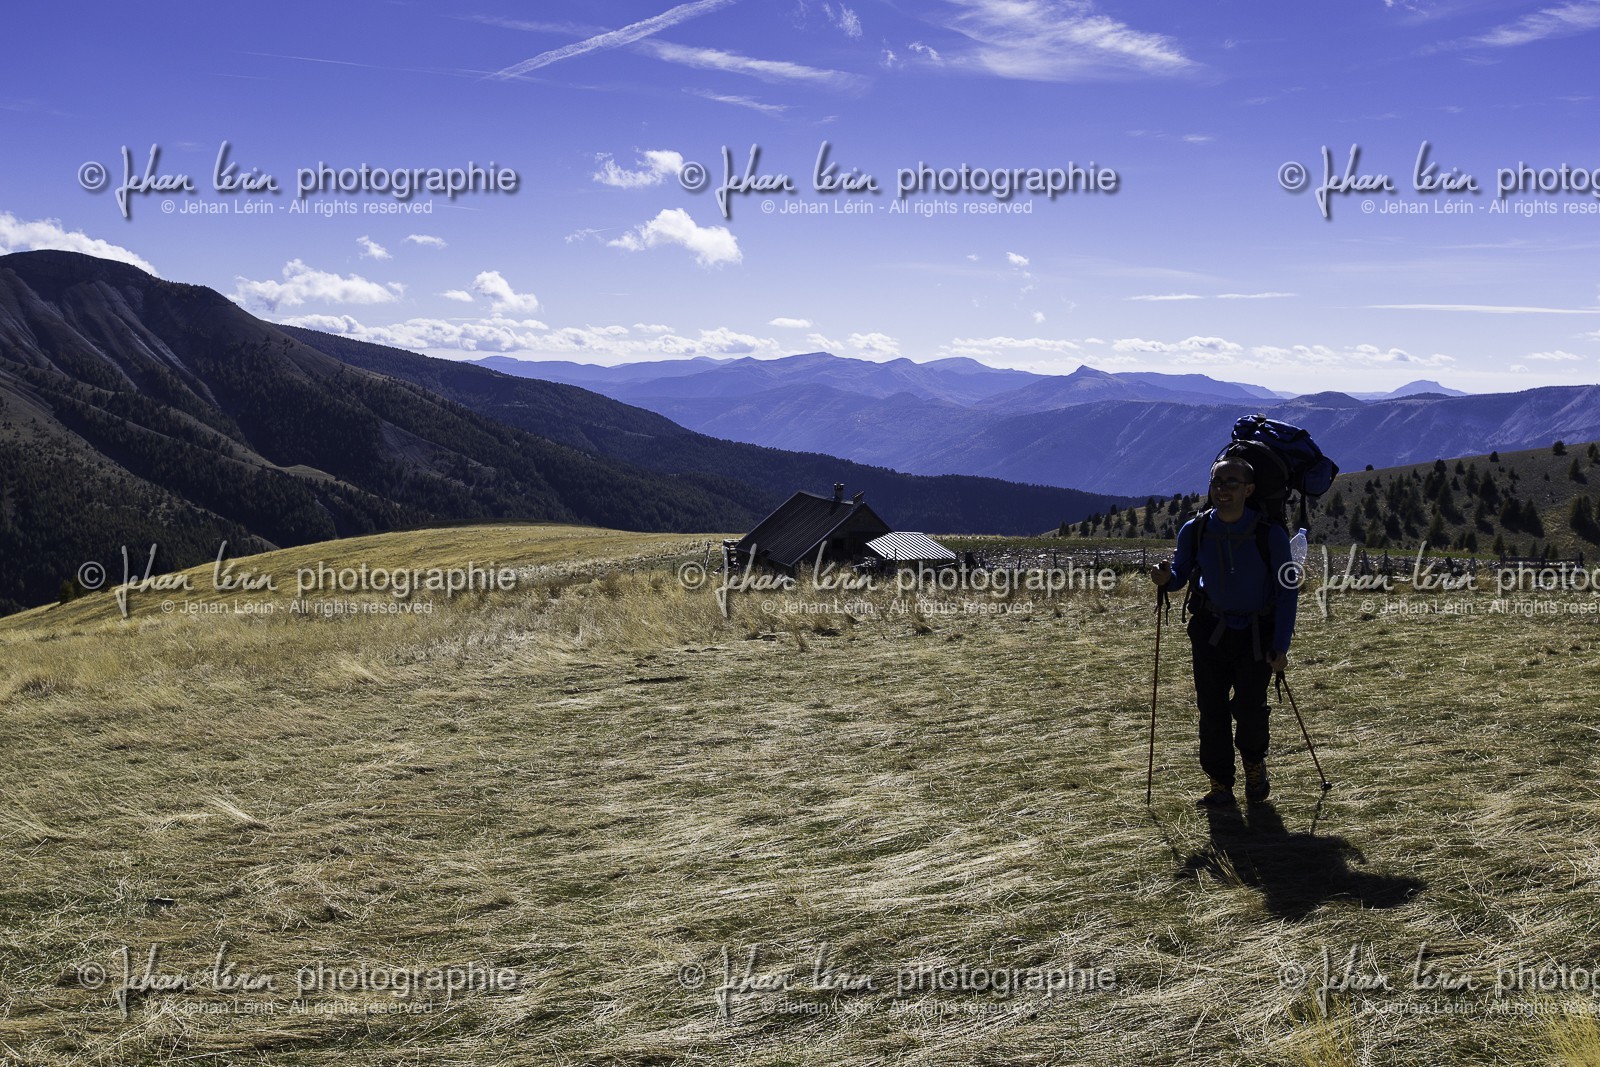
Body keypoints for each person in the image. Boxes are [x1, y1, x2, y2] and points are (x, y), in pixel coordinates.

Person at [1149, 457, 1299, 807]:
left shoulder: (1269, 534)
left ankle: (1253, 763)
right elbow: (1181, 575)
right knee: (1211, 709)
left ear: (1249, 489)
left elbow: (1286, 592)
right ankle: (1220, 783)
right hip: (1208, 630)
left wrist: (1281, 646)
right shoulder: (1195, 530)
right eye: (1217, 482)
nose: (1222, 489)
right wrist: (1165, 579)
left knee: (1249, 708)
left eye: (1232, 482)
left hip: (1256, 636)